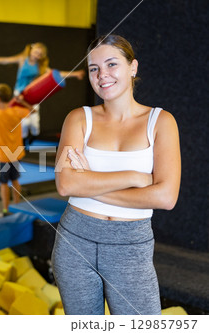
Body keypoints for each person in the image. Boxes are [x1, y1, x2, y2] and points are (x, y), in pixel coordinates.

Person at [52, 34, 181, 315]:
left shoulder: (161, 121)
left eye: (112, 64)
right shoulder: (78, 118)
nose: (102, 75)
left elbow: (166, 196)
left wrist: (88, 183)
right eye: (94, 68)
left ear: (133, 67)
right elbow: (65, 183)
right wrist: (135, 177)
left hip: (130, 246)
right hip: (75, 241)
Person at [0, 42, 85, 145]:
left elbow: (55, 74)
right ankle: (23, 141)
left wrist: (75, 74)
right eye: (35, 52)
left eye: (39, 54)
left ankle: (34, 135)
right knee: (24, 123)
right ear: (31, 50)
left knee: (34, 125)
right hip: (19, 94)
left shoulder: (40, 67)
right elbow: (5, 60)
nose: (36, 55)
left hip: (32, 95)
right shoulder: (22, 59)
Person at [0, 83, 35, 218]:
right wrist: (22, 102)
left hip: (3, 156)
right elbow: (32, 111)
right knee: (15, 181)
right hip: (16, 153)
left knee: (3, 183)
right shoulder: (16, 111)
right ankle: (17, 208)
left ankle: (5, 210)